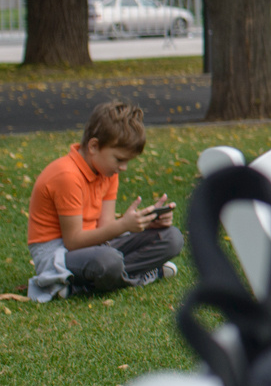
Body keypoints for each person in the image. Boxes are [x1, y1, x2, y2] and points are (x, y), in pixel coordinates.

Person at [26, 101, 181, 302]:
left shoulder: (107, 172)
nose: (123, 167)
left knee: (171, 238)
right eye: (119, 159)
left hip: (94, 245)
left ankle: (80, 286)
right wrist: (123, 226)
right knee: (108, 260)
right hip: (58, 254)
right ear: (94, 146)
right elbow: (73, 241)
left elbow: (106, 227)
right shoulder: (67, 175)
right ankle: (139, 276)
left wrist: (145, 224)